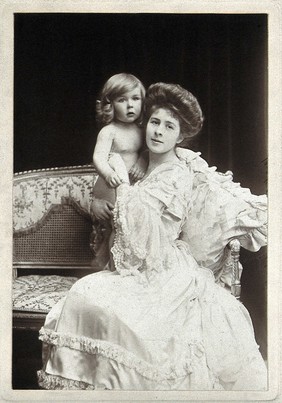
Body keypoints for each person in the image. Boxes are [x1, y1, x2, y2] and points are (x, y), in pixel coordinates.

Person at [37, 82, 267, 390]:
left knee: (100, 304)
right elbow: (106, 199)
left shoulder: (176, 174)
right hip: (138, 265)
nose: (158, 131)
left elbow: (144, 239)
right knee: (84, 296)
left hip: (161, 268)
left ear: (180, 136)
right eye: (155, 122)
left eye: (168, 126)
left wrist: (120, 181)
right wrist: (106, 192)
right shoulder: (142, 161)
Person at [91, 73, 148, 267]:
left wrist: (142, 159)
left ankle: (124, 265)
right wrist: (108, 173)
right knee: (117, 225)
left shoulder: (142, 130)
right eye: (122, 100)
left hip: (131, 186)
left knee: (130, 227)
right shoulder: (109, 131)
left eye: (135, 98)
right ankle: (110, 267)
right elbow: (98, 157)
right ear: (110, 105)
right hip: (111, 184)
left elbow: (149, 152)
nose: (130, 105)